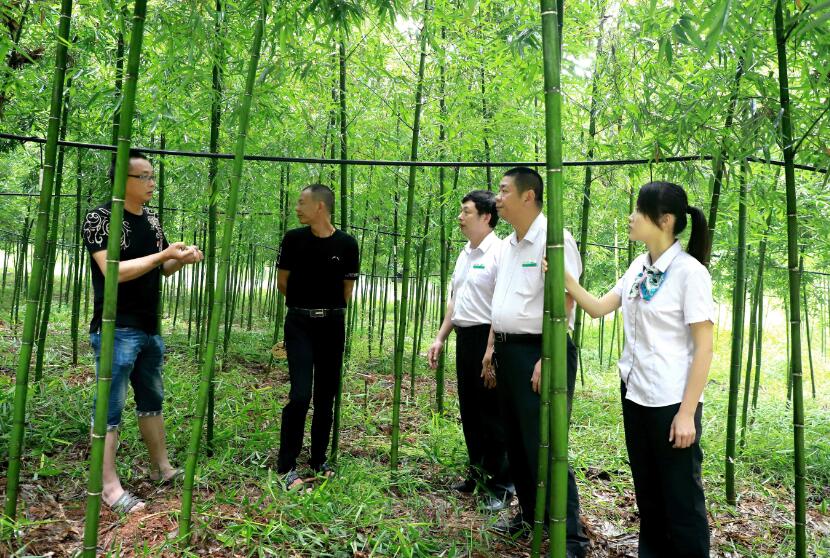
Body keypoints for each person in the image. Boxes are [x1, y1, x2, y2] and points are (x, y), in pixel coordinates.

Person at [564, 181, 713, 557]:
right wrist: (566, 281)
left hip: (671, 403)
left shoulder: (689, 273)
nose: (630, 218)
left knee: (681, 498)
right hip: (634, 394)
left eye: (638, 212)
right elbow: (598, 308)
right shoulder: (638, 267)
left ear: (664, 220)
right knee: (648, 492)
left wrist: (686, 414)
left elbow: (704, 348)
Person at [82, 149, 204, 515]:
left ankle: (162, 469)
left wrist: (177, 260)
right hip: (116, 327)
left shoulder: (151, 219)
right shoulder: (100, 218)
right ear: (123, 181)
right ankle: (107, 486)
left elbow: (159, 269)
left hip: (149, 326)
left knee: (152, 399)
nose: (153, 183)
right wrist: (161, 255)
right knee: (110, 408)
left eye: (152, 176)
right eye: (145, 176)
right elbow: (113, 271)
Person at [482, 167, 588, 556]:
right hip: (510, 351)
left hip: (540, 351)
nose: (498, 197)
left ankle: (572, 537)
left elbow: (567, 300)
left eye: (504, 190)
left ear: (528, 196)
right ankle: (529, 516)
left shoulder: (554, 239)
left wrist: (549, 355)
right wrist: (493, 347)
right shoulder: (510, 244)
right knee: (517, 441)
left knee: (545, 443)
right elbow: (504, 302)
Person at [426, 190, 513, 511]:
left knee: (492, 412)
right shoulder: (465, 253)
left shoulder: (500, 253)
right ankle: (476, 474)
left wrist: (490, 349)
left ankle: (502, 485)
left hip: (488, 339)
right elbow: (455, 299)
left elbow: (501, 304)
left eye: (466, 212)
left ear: (486, 217)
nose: (460, 217)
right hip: (465, 338)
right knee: (471, 411)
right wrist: (440, 337)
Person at [275, 184, 359, 490]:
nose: (296, 208)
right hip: (299, 323)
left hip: (332, 324)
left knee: (326, 395)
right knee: (300, 394)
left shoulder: (347, 244)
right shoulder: (293, 239)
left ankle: (319, 459)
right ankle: (286, 465)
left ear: (320, 207)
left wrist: (325, 308)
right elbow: (282, 282)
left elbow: (346, 292)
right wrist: (305, 305)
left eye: (301, 203)